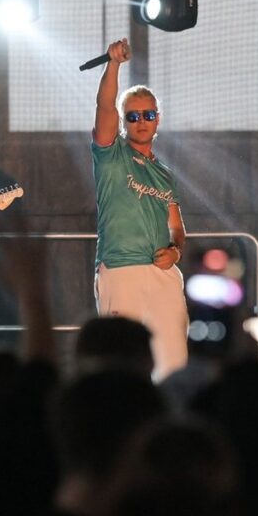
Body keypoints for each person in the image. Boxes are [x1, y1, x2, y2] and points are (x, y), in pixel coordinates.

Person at [91, 38, 189, 381]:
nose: (141, 121)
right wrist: (113, 64)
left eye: (148, 114)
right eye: (133, 116)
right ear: (124, 121)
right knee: (119, 368)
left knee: (174, 363)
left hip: (163, 275)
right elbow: (104, 109)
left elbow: (177, 227)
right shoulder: (111, 154)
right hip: (120, 270)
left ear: (158, 119)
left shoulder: (165, 175)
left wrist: (175, 252)